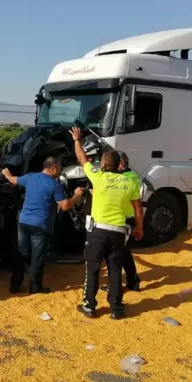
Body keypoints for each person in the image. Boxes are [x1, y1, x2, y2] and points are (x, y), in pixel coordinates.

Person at [69, 127, 144, 319]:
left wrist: (77, 140)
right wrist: (139, 227)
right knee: (115, 270)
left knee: (93, 268)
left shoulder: (98, 177)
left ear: (103, 163)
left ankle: (89, 306)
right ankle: (116, 309)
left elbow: (82, 158)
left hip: (97, 232)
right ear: (120, 165)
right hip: (119, 232)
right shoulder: (130, 183)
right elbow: (137, 208)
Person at [2, 157, 84, 294]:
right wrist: (76, 195)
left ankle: (15, 285)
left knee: (21, 254)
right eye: (59, 167)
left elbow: (14, 180)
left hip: (23, 222)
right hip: (40, 225)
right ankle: (35, 287)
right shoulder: (54, 185)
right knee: (38, 256)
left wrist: (6, 174)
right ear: (53, 168)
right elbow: (65, 206)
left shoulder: (31, 177)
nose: (60, 170)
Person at [101, 151, 142, 292]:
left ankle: (118, 284)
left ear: (121, 164)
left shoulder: (124, 179)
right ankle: (132, 281)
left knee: (114, 255)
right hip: (128, 219)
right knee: (125, 253)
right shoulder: (133, 177)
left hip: (121, 219)